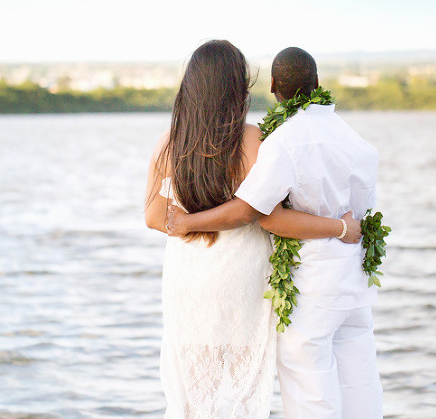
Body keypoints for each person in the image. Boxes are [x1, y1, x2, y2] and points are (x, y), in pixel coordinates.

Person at [144, 40, 361, 419]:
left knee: (194, 386)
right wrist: (341, 227)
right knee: (237, 388)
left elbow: (153, 216)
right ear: (236, 87)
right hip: (239, 271)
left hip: (187, 274)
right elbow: (255, 211)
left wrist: (187, 223)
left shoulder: (170, 142)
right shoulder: (251, 140)